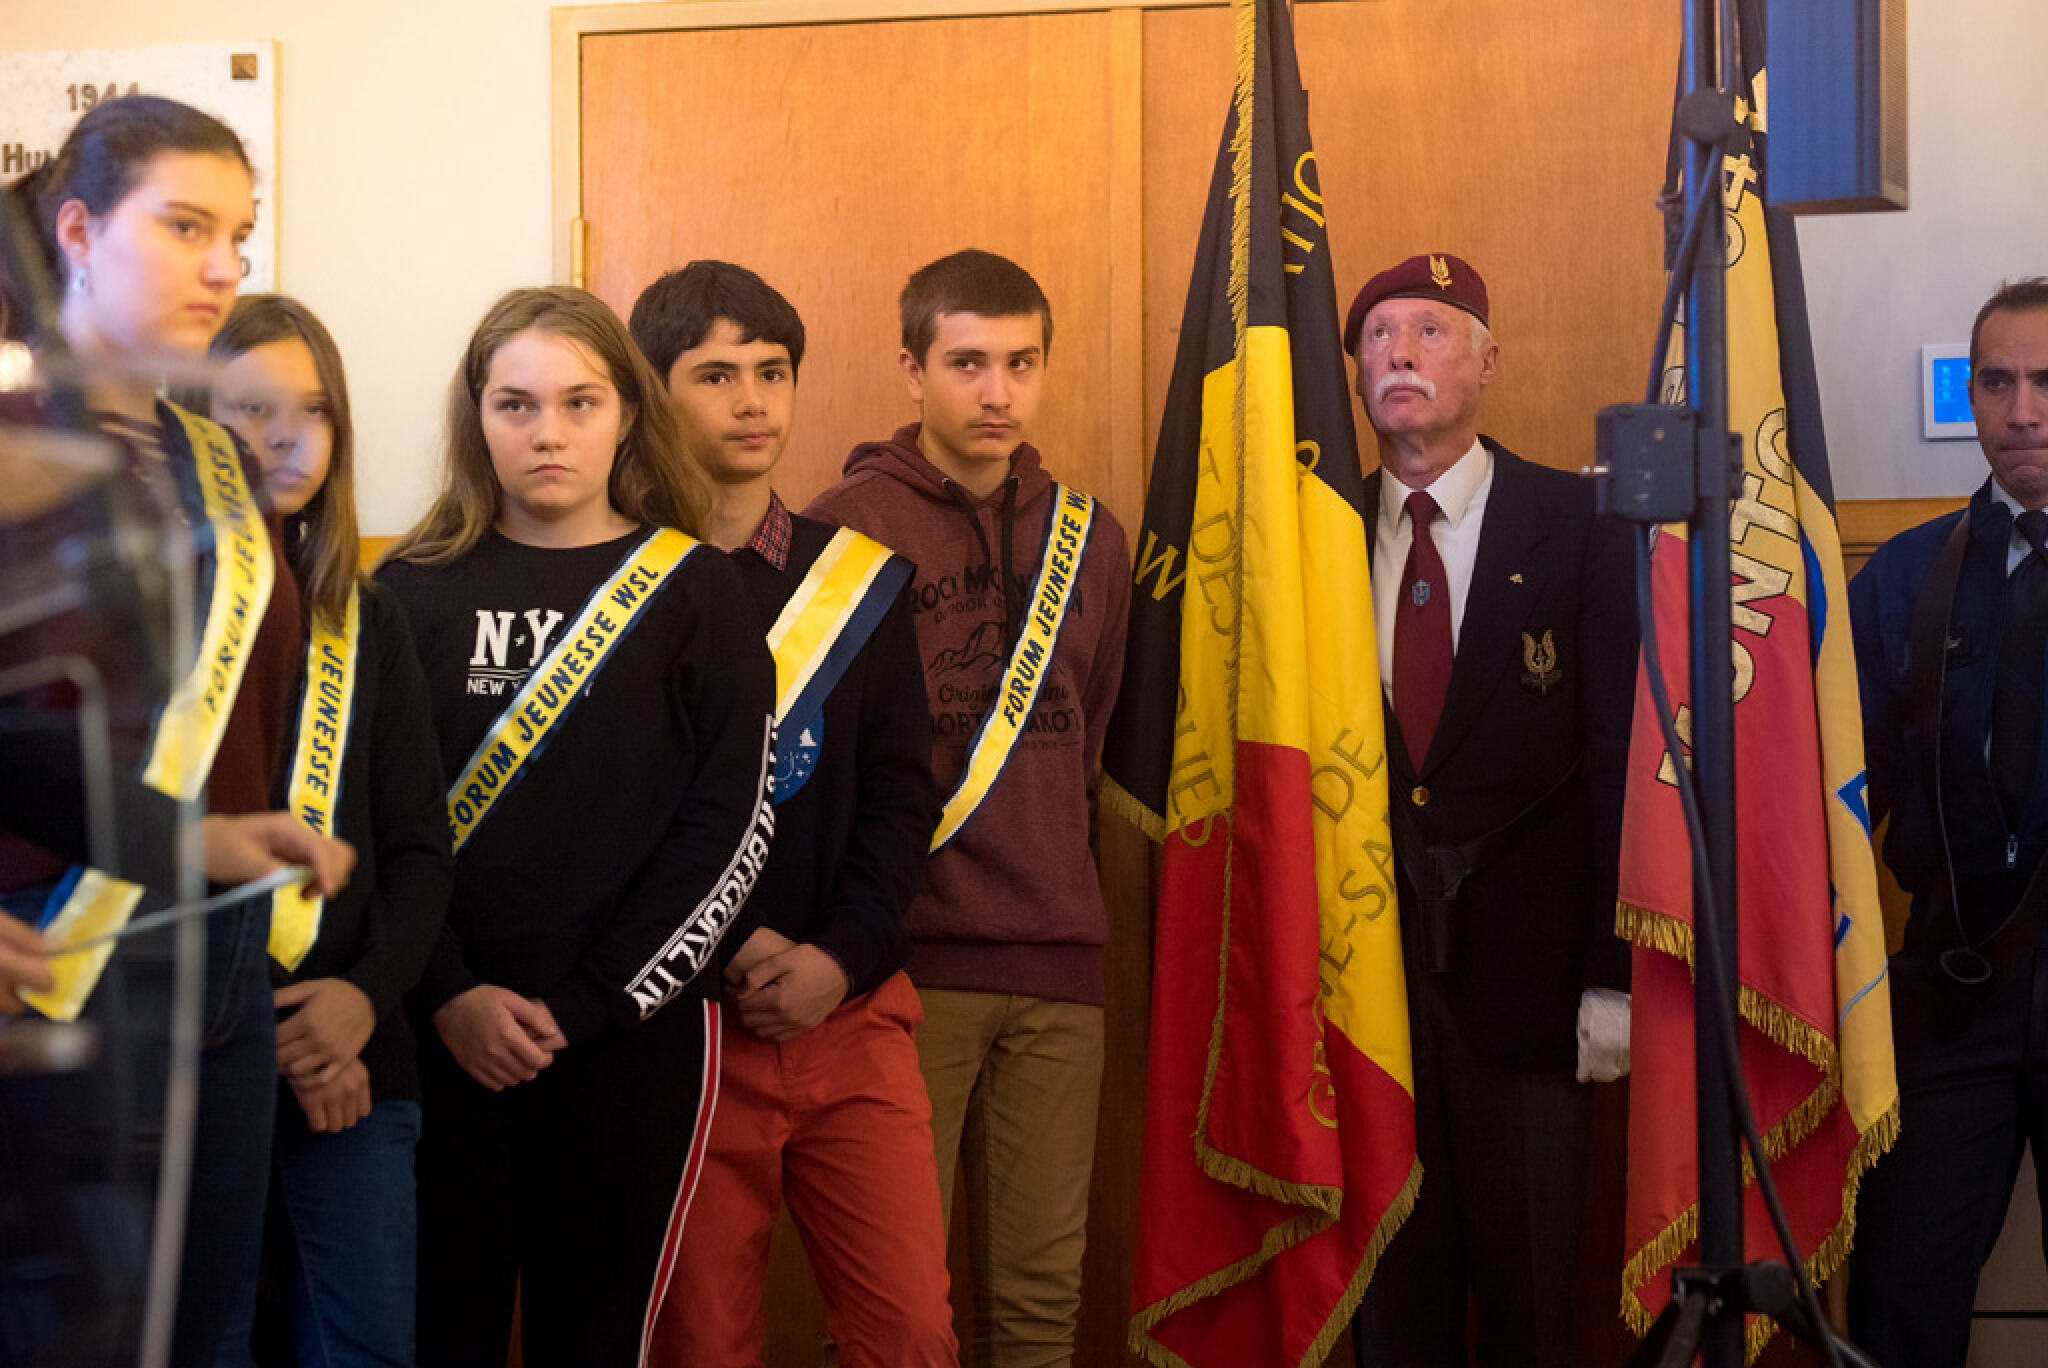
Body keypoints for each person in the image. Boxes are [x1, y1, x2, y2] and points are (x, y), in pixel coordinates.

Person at [0, 95, 352, 1368]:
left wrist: (235, 836)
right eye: (185, 226)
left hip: (223, 963)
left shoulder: (224, 467)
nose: (223, 268)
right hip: (52, 954)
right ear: (78, 231)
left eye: (240, 238)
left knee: (209, 1331)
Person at [377, 285, 777, 1367]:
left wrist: (588, 1005)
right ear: (476, 417)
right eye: (515, 404)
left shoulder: (697, 592)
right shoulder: (404, 591)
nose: (546, 432)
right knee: (433, 1338)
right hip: (436, 1031)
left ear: (627, 414)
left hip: (625, 1040)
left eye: (578, 402)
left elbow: (727, 831)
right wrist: (448, 991)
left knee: (596, 1343)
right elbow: (372, 823)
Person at [627, 260, 956, 1367]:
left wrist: (839, 957)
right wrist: (722, 946)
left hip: (849, 1011)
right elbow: (614, 819)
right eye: (716, 375)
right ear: (652, 390)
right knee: (701, 1342)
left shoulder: (860, 581)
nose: (752, 402)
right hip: (683, 1028)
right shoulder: (616, 583)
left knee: (910, 1332)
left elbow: (901, 798)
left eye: (772, 373)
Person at [805, 248, 1130, 1367]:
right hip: (901, 970)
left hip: (1059, 960)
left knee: (1040, 1304)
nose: (998, 392)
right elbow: (811, 761)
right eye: (967, 363)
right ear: (912, 370)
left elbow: (1093, 737)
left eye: (1021, 363)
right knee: (893, 1308)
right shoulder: (841, 529)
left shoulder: (1092, 536)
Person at [1338, 253, 1634, 1368]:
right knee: (1392, 1317)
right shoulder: (1321, 533)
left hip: (1533, 993)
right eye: (1377, 336)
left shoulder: (1580, 521)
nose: (1399, 355)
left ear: (1487, 362)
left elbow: (1622, 756)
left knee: (1532, 1313)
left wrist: (1613, 969)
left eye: (1430, 330)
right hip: (1366, 996)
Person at [204, 294, 454, 1368]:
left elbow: (419, 853)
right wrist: (280, 1042)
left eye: (313, 410)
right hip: (194, 1055)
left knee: (367, 1347)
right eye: (251, 409)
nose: (286, 437)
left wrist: (357, 1004)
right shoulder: (156, 608)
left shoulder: (368, 617)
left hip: (358, 1049)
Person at [1846, 276, 2048, 1368]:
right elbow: (1844, 795)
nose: (2023, 411)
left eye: (2046, 382)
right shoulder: (1905, 577)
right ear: (1970, 396)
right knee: (1899, 1304)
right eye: (1997, 383)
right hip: (1950, 985)